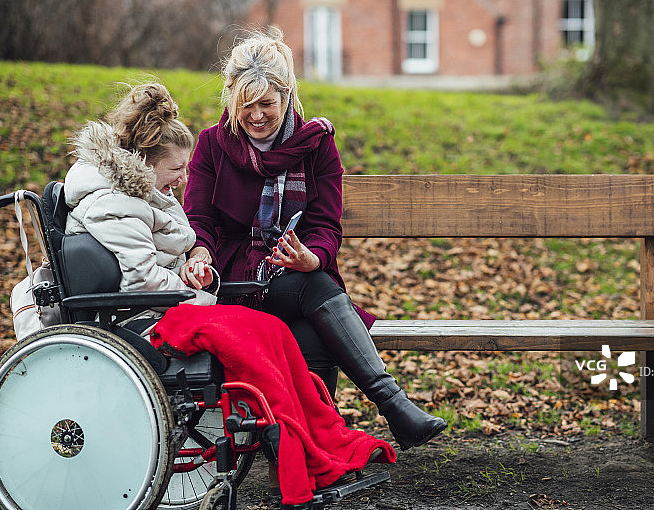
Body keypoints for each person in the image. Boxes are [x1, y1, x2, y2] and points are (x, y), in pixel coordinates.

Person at [62, 82, 395, 505]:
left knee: (280, 328)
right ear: (144, 163)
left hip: (170, 303)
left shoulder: (144, 195)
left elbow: (163, 258)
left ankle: (315, 445)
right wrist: (196, 289)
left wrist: (193, 268)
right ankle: (298, 449)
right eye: (176, 169)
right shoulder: (114, 205)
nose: (185, 178)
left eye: (185, 168)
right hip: (143, 316)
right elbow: (143, 279)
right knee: (268, 332)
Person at [182, 27, 447, 451]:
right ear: (230, 96)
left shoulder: (316, 145)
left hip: (292, 276)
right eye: (245, 104)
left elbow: (325, 225)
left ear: (287, 95)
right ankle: (389, 408)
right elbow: (200, 218)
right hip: (234, 278)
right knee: (316, 296)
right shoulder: (213, 145)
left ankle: (310, 443)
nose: (255, 116)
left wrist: (313, 257)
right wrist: (199, 253)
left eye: (266, 104)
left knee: (311, 320)